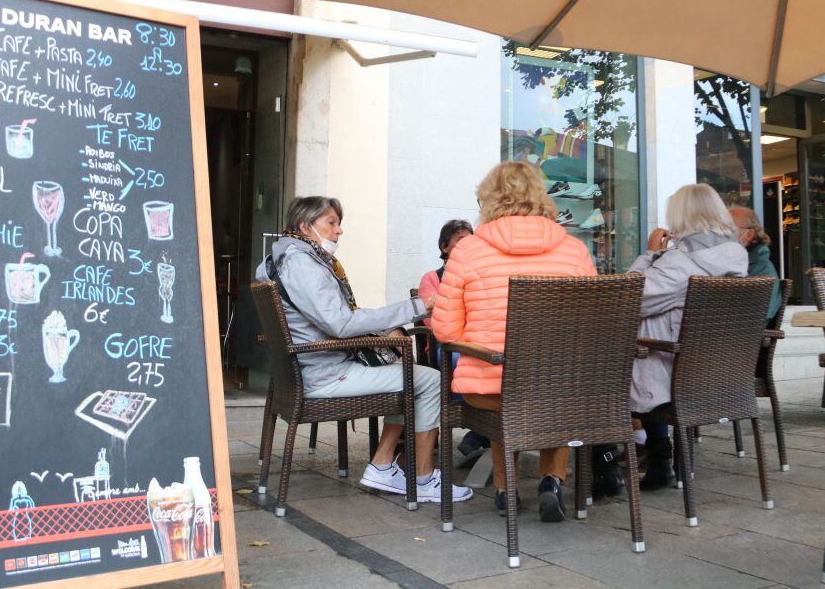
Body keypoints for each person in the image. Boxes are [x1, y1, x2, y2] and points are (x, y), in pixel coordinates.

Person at [256, 196, 472, 504]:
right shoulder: (302, 263)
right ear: (304, 227)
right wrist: (414, 308)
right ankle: (422, 477)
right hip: (325, 373)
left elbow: (333, 318)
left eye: (338, 223)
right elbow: (340, 324)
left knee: (407, 373)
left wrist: (385, 326)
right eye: (331, 223)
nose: (339, 230)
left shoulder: (284, 260)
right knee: (429, 380)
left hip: (309, 366)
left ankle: (383, 464)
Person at [431, 162, 597, 521]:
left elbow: (445, 331)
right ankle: (552, 481)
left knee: (506, 386)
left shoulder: (468, 251)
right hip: (560, 385)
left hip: (492, 388)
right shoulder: (574, 251)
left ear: (489, 200)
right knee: (552, 389)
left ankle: (506, 490)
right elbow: (591, 324)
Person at [630, 184, 749, 490]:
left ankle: (607, 467)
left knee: (600, 371)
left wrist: (650, 253)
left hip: (672, 372)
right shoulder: (736, 255)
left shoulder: (680, 261)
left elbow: (629, 298)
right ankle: (660, 460)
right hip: (718, 372)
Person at [417, 220, 490, 466]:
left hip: (477, 343)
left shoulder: (479, 275)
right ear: (444, 246)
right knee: (463, 361)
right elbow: (432, 322)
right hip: (445, 346)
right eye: (461, 239)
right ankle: (479, 425)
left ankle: (482, 431)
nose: (468, 245)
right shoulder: (432, 278)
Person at [729, 206, 782, 323]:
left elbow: (759, 318)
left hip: (740, 336)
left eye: (730, 228)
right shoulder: (725, 264)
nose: (722, 234)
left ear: (749, 234)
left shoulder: (761, 269)